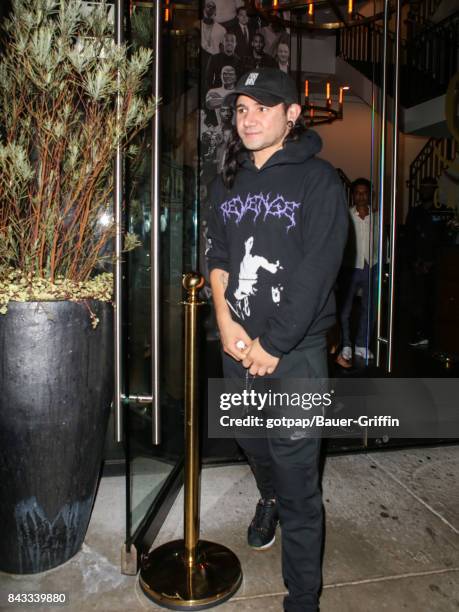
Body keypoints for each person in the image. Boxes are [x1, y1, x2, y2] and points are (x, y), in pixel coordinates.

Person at [206, 68, 348, 612]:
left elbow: (317, 270)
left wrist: (275, 345)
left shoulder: (318, 180)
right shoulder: (226, 178)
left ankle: (303, 599)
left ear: (292, 115)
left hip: (296, 353)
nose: (248, 118)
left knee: (298, 479)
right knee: (251, 442)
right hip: (235, 344)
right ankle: (268, 495)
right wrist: (225, 325)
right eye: (242, 109)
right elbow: (217, 256)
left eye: (263, 108)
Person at [336, 178, 378, 367]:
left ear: (370, 195)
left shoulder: (376, 217)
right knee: (344, 309)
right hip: (350, 266)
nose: (361, 196)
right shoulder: (346, 216)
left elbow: (382, 241)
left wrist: (384, 262)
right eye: (358, 192)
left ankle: (362, 344)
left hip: (371, 265)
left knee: (369, 308)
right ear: (353, 195)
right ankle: (346, 344)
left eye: (365, 192)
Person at [405, 176, 443, 347]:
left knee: (432, 301)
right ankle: (417, 334)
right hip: (416, 265)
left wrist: (431, 262)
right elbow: (409, 238)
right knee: (416, 301)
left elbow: (441, 240)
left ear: (435, 189)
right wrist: (415, 261)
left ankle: (432, 335)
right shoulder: (414, 212)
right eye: (423, 187)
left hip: (435, 266)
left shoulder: (442, 211)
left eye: (429, 187)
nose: (426, 190)